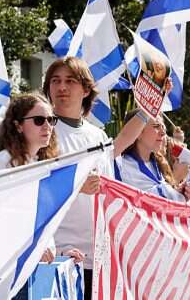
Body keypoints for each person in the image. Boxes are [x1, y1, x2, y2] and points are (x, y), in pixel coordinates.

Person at [43, 57, 145, 300]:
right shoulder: (44, 132)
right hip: (59, 257)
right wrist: (76, 187)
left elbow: (120, 145)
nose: (61, 87)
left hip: (98, 259)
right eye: (55, 81)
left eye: (70, 81)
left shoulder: (97, 135)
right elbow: (34, 189)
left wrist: (148, 107)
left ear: (86, 90)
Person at [0, 93, 85, 300]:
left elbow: (42, 222)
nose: (47, 126)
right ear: (18, 126)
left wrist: (60, 254)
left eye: (51, 120)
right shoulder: (2, 164)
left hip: (37, 272)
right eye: (39, 120)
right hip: (9, 277)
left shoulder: (45, 164)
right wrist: (33, 249)